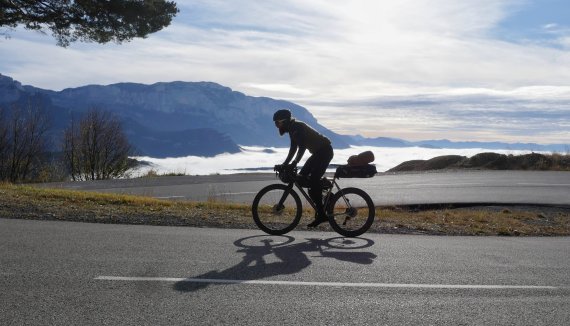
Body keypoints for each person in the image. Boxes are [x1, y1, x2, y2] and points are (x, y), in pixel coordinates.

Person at [273, 109, 334, 227]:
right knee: (301, 179)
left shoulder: (297, 127)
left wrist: (294, 163)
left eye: (277, 123)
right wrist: (285, 164)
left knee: (313, 181)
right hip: (317, 153)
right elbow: (293, 149)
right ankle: (324, 193)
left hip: (324, 152)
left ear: (284, 121)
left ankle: (322, 214)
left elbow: (302, 147)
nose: (277, 126)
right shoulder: (292, 129)